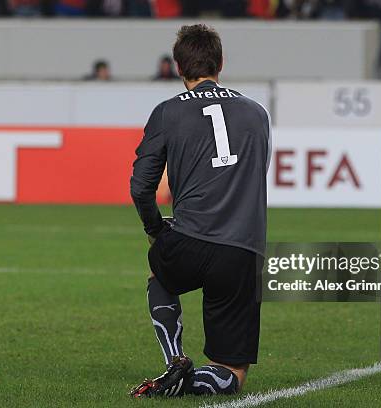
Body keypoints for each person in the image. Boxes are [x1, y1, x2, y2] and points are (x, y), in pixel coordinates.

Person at [129, 24, 271, 398]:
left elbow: (141, 187)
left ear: (178, 68)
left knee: (159, 269)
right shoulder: (257, 113)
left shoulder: (167, 113)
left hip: (188, 240)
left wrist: (155, 230)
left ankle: (175, 359)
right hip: (242, 248)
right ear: (221, 62)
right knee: (232, 374)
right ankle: (191, 382)